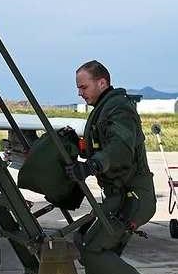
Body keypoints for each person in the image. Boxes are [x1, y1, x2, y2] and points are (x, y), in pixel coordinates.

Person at [66, 60, 156, 274]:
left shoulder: (119, 108)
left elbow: (119, 149)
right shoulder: (104, 109)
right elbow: (100, 146)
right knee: (81, 238)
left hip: (133, 198)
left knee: (92, 251)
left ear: (102, 83)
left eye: (83, 87)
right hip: (119, 197)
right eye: (78, 87)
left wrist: (92, 166)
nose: (79, 93)